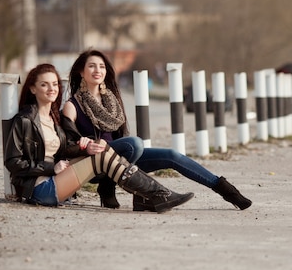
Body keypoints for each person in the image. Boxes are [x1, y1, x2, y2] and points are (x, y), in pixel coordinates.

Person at [61, 49, 252, 212]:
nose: (98, 70)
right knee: (134, 143)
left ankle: (226, 190)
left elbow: (120, 139)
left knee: (171, 155)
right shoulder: (72, 105)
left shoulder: (112, 102)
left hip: (122, 161)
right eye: (92, 66)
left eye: (102, 66)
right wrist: (88, 146)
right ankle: (112, 186)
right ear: (80, 72)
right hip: (94, 166)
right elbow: (68, 146)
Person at [4, 63, 194, 213]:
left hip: (58, 178)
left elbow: (62, 150)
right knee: (103, 157)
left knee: (101, 150)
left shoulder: (54, 119)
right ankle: (157, 195)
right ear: (32, 89)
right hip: (40, 188)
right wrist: (50, 167)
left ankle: (154, 196)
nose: (51, 89)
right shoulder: (25, 120)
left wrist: (83, 146)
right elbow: (12, 162)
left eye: (54, 84)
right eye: (44, 84)